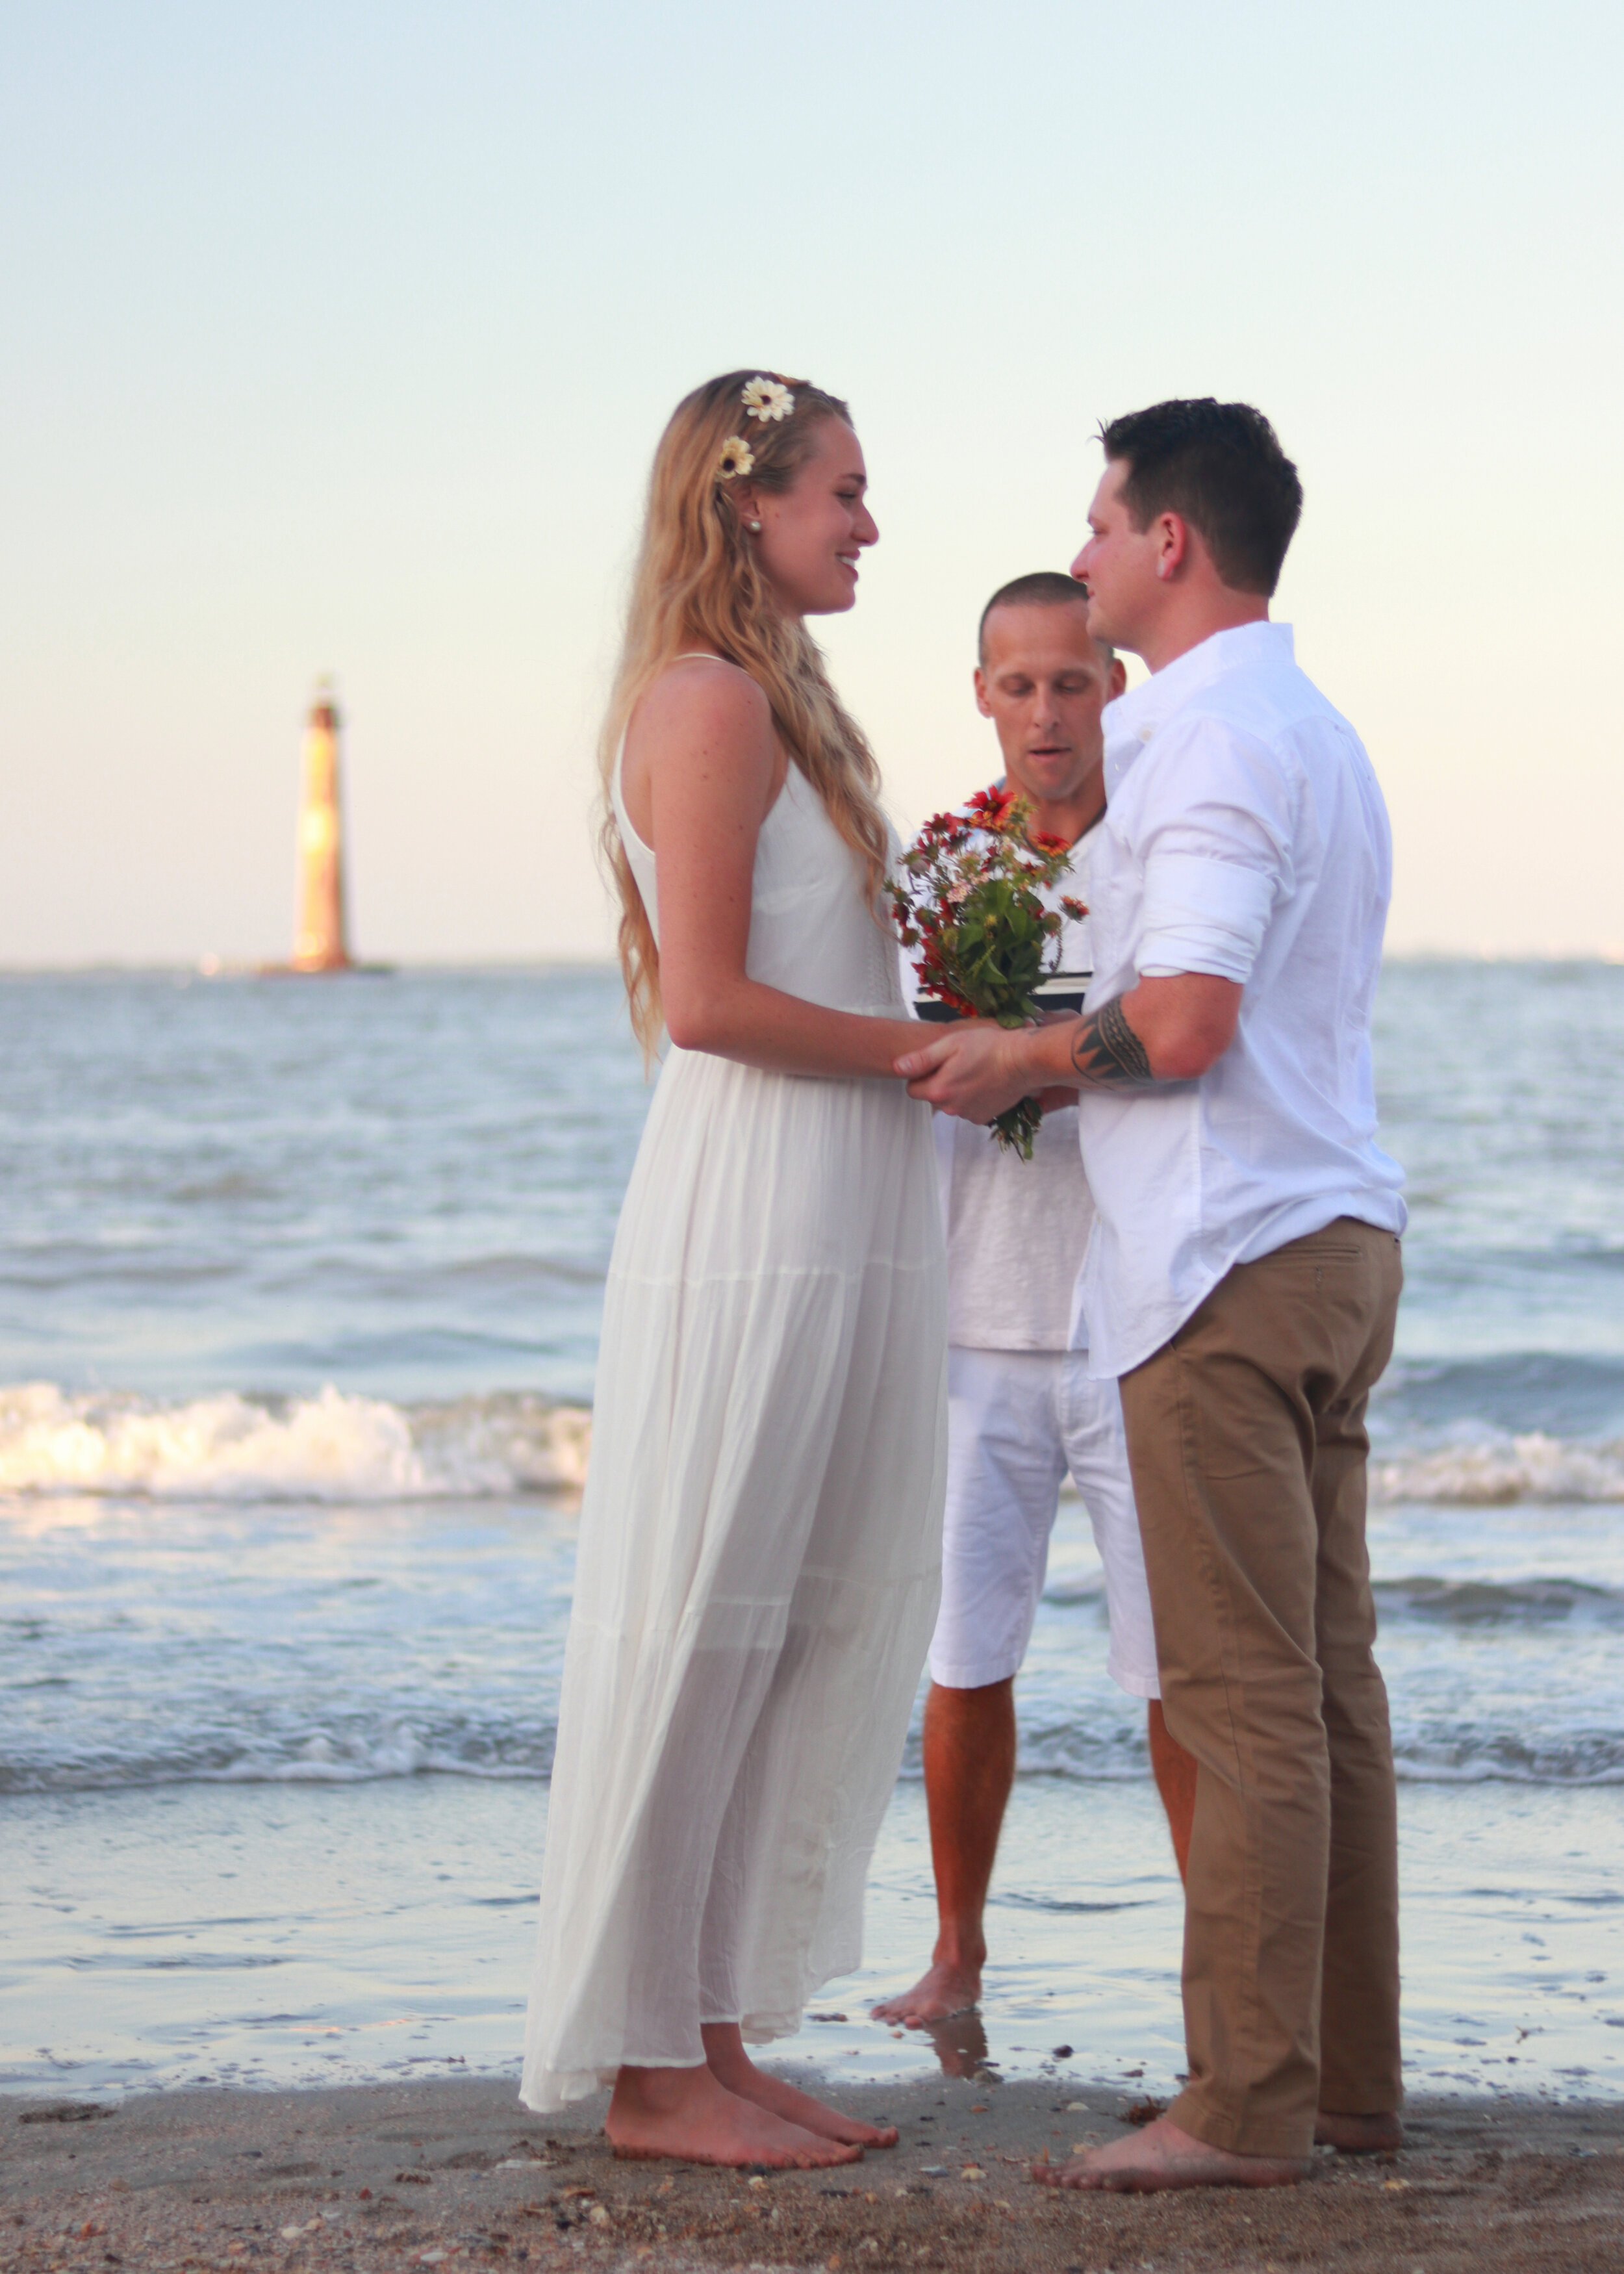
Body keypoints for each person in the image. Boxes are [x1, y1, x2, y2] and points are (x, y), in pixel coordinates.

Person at [898, 399, 1406, 2193]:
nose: (1087, 549)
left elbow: (1178, 1023)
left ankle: (1242, 2105)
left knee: (1237, 1692)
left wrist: (1021, 1054)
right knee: (1324, 1685)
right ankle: (1344, 2079)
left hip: (1220, 1263)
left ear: (1166, 541)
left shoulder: (1195, 733)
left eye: (1098, 522)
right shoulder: (1311, 722)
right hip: (1333, 1237)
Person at [522, 372, 948, 2171]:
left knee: (787, 1621)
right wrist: (928, 1053)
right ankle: (642, 2072)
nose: (866, 522)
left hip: (834, 1201)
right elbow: (705, 1003)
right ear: (741, 500)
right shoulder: (704, 702)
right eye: (843, 489)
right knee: (702, 1619)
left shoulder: (781, 703)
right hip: (757, 1208)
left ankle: (706, 2033)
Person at [872, 574, 1196, 2037]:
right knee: (964, 1653)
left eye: (1072, 681)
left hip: (1139, 1307)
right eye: (1017, 684)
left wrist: (1038, 1059)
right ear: (982, 693)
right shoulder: (938, 871)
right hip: (976, 1309)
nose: (1046, 711)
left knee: (1171, 1664)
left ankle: (1218, 1973)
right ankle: (954, 1950)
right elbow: (893, 1063)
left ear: (1112, 684)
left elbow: (1190, 1039)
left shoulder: (1158, 851)